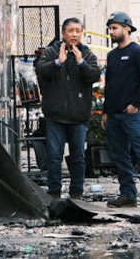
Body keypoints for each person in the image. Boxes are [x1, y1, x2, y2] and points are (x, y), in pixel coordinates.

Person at [100, 11, 140, 210]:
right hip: (114, 114)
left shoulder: (138, 53)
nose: (111, 32)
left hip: (132, 114)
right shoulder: (112, 55)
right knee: (119, 155)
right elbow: (109, 85)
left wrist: (135, 103)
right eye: (110, 28)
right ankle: (128, 194)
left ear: (127, 28)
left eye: (115, 28)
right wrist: (105, 111)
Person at [35, 17, 101, 200]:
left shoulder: (87, 54)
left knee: (78, 157)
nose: (74, 34)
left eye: (78, 31)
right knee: (54, 157)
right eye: (70, 31)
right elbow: (41, 70)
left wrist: (81, 63)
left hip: (78, 116)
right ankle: (54, 192)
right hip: (55, 116)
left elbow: (94, 75)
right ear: (63, 33)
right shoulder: (50, 52)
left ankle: (76, 192)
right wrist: (58, 62)